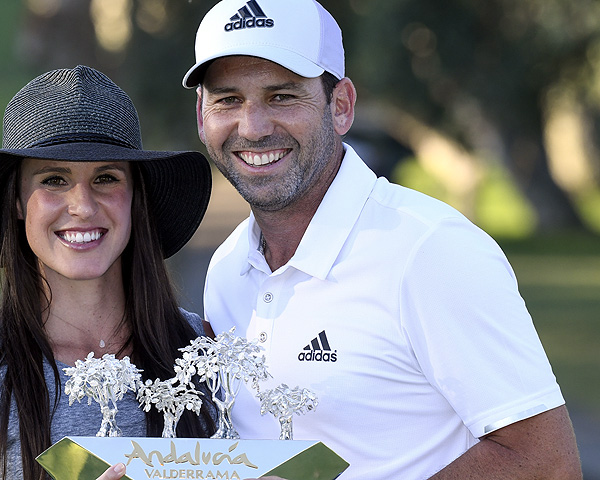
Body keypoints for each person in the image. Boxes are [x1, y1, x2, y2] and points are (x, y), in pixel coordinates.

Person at [183, 0, 583, 478]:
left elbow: (545, 464)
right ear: (203, 115)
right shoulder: (228, 268)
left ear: (342, 106)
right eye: (228, 100)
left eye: (282, 97)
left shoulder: (431, 250)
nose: (252, 127)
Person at [0, 66, 217, 480]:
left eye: (106, 178)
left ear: (135, 197)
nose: (83, 206)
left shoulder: (203, 354)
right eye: (54, 179)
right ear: (16, 201)